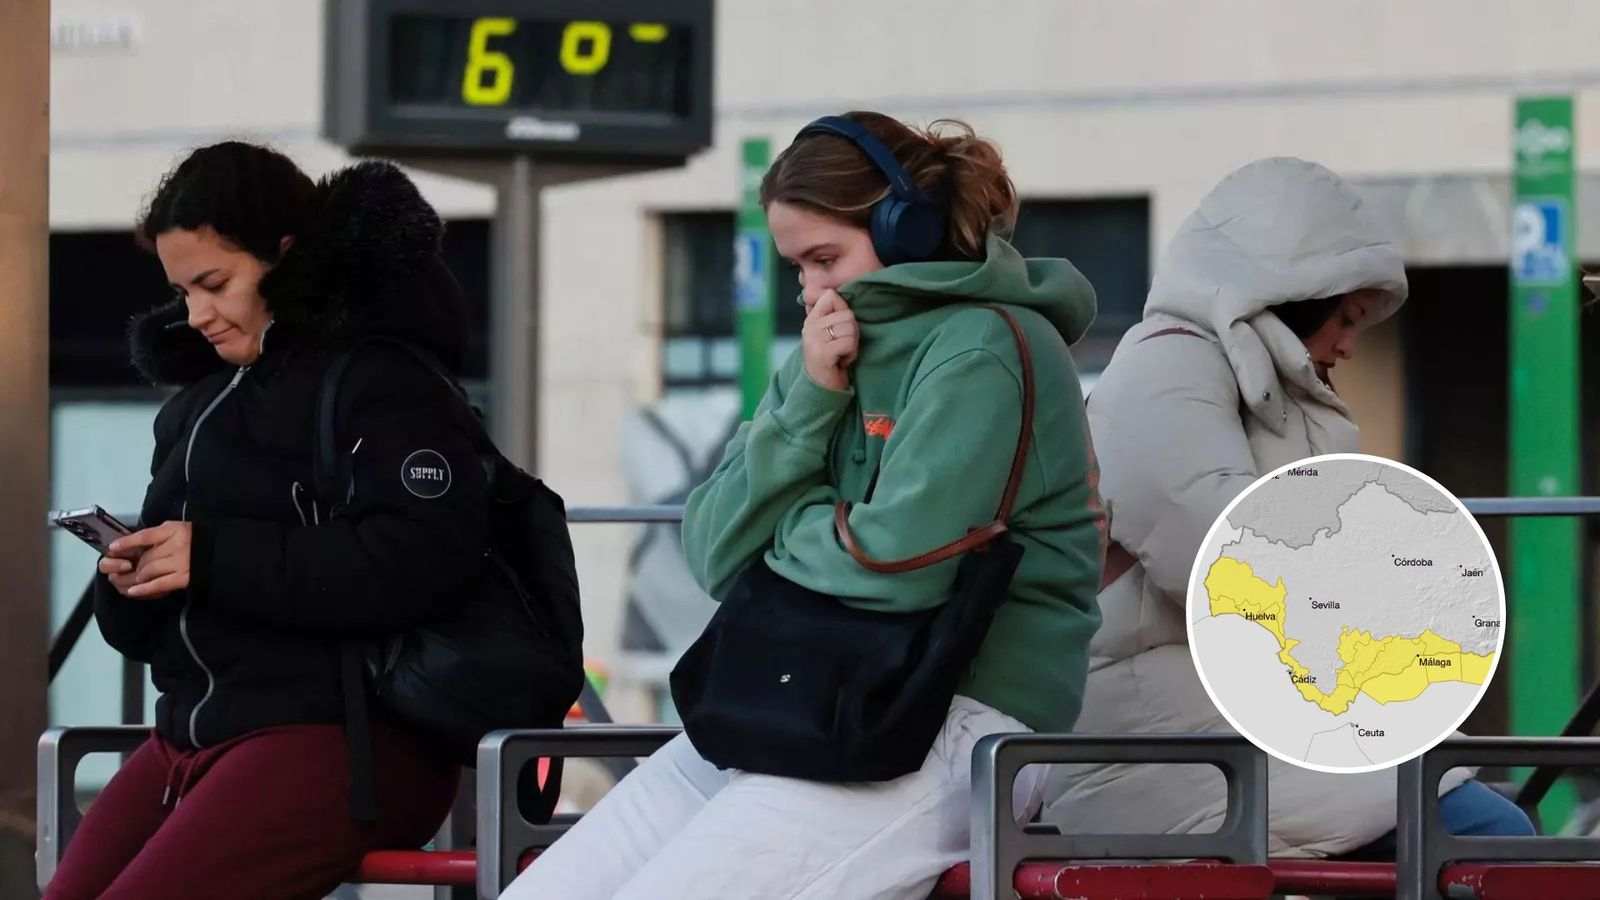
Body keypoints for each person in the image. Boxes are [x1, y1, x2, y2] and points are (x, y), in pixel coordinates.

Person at [502, 111, 1104, 899]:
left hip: (958, 719)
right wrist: (814, 402)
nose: (811, 291)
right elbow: (713, 547)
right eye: (797, 268)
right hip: (804, 695)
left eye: (827, 259)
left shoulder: (986, 348)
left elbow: (897, 565)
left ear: (907, 231)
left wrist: (784, 526)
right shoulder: (825, 352)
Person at [1040, 157, 1533, 857]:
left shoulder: (1264, 391)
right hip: (1161, 742)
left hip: (1224, 722)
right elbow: (1228, 561)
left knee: (1486, 824)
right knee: (1490, 838)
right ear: (1292, 294)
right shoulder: (1165, 373)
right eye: (1345, 318)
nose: (1349, 346)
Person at [45, 143, 484, 899]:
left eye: (215, 285)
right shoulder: (198, 404)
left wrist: (212, 558)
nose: (197, 316)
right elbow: (159, 625)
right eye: (181, 292)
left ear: (284, 253)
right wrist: (131, 579)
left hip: (344, 741)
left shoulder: (382, 379)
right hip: (191, 735)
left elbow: (427, 561)